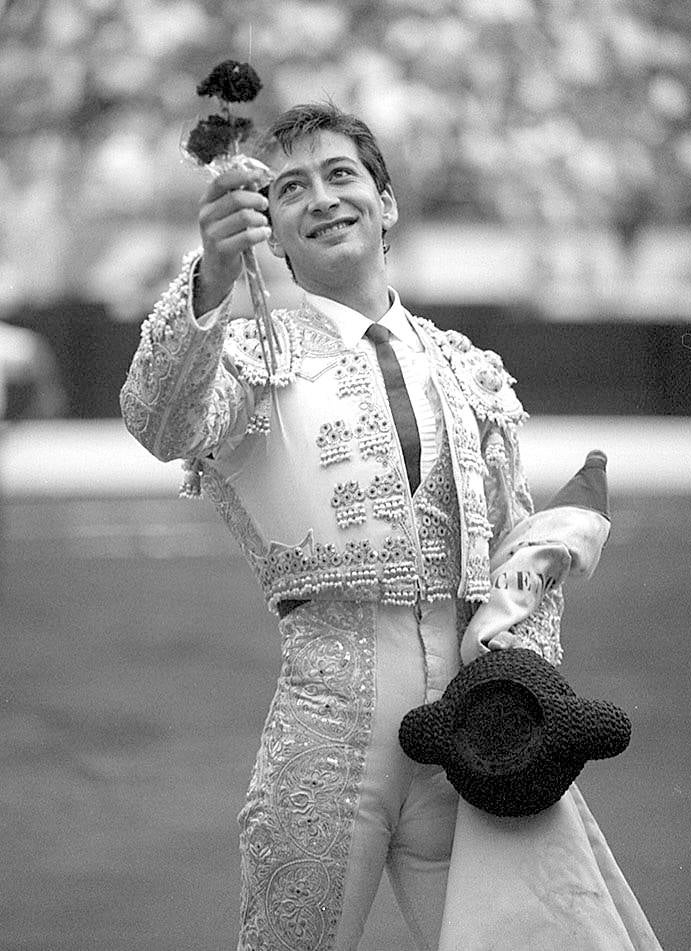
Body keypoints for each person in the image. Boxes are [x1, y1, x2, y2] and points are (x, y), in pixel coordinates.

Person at [120, 103, 662, 951]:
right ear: (275, 229)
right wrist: (211, 276)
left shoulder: (469, 367)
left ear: (387, 202)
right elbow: (160, 421)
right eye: (291, 187)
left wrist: (522, 683)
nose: (323, 198)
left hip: (474, 718)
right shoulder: (250, 352)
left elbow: (518, 547)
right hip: (325, 718)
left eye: (341, 175)